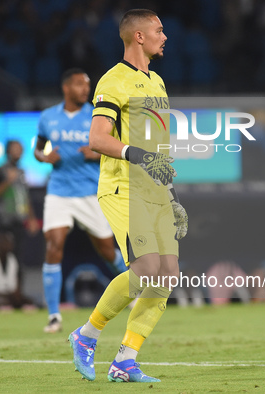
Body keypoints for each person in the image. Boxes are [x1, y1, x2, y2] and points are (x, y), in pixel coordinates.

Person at [68, 9, 188, 383]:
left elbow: (158, 153)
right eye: (158, 30)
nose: (164, 36)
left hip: (154, 193)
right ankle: (86, 336)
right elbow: (97, 139)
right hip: (122, 188)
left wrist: (171, 196)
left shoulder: (158, 83)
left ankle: (125, 360)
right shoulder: (113, 80)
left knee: (166, 275)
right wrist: (137, 154)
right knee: (146, 270)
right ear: (138, 37)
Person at [34, 68, 127, 334]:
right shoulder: (48, 117)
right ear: (66, 88)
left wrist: (97, 153)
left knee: (108, 251)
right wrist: (44, 157)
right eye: (79, 84)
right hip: (59, 192)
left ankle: (133, 293)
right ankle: (54, 315)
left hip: (90, 192)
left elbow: (115, 147)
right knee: (54, 245)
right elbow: (38, 149)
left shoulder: (97, 115)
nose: (85, 89)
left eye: (87, 85)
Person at [0, 140, 40, 256]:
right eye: (15, 148)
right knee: (3, 255)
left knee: (17, 257)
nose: (19, 152)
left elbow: (25, 196)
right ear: (8, 151)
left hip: (19, 222)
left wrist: (31, 218)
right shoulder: (0, 171)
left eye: (20, 149)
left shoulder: (21, 172)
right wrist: (8, 181)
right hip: (4, 223)